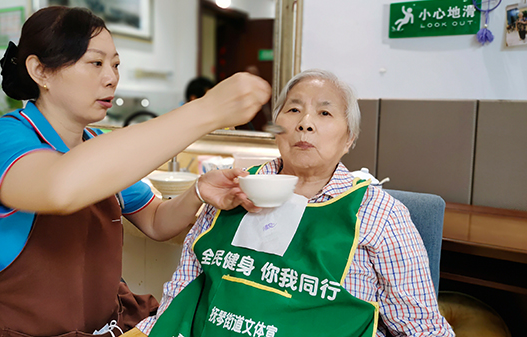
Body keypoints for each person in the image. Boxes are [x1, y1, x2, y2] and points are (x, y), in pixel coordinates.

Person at [0, 6, 270, 337]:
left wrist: (198, 191)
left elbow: (156, 221)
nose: (111, 77)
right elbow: (60, 187)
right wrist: (207, 111)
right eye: (95, 63)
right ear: (40, 71)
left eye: (115, 65)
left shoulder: (95, 143)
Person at [137, 69, 455, 336]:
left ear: (350, 139)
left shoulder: (379, 214)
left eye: (325, 112)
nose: (305, 122)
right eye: (293, 109)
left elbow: (422, 328)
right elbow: (184, 289)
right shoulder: (232, 189)